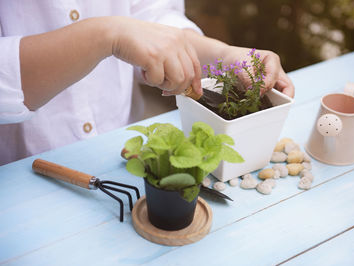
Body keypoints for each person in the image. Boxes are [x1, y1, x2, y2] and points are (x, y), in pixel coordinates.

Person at [0, 0, 295, 166]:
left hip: (120, 152)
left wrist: (223, 54)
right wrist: (106, 35)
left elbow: (152, 14)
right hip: (17, 172)